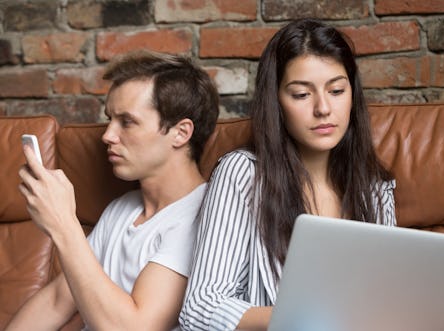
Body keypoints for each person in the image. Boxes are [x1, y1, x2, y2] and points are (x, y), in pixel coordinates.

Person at [179, 18, 396, 331]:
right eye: (301, 95)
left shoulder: (376, 190)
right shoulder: (242, 174)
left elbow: (387, 303)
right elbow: (200, 308)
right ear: (276, 102)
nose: (323, 108)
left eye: (336, 90)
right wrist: (311, 319)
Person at [6, 50, 219, 331]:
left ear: (180, 133)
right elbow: (58, 300)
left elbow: (136, 327)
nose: (107, 135)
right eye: (110, 119)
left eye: (127, 121)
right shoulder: (123, 207)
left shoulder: (202, 217)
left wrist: (64, 225)